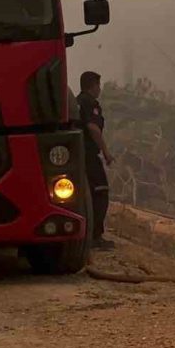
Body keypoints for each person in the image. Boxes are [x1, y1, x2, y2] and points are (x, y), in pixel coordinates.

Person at [77, 71, 116, 251]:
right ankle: (95, 236)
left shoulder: (76, 102)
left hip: (77, 155)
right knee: (100, 193)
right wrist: (106, 152)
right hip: (89, 156)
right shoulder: (89, 103)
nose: (99, 89)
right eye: (98, 86)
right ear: (92, 86)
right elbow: (93, 128)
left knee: (86, 195)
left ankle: (86, 234)